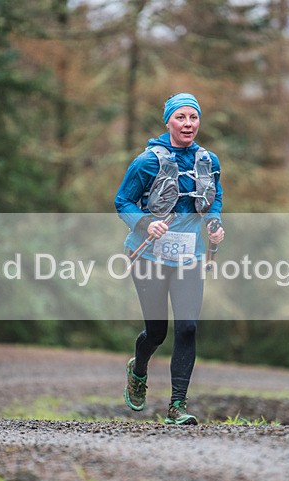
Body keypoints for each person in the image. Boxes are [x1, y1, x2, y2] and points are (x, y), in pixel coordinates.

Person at [115, 92, 224, 425]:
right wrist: (147, 222)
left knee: (188, 328)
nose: (188, 124)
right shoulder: (146, 161)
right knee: (157, 331)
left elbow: (214, 198)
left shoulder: (209, 161)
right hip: (147, 253)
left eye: (193, 117)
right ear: (168, 121)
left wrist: (215, 224)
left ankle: (178, 405)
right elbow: (123, 201)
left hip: (189, 255)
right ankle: (139, 368)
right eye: (181, 117)